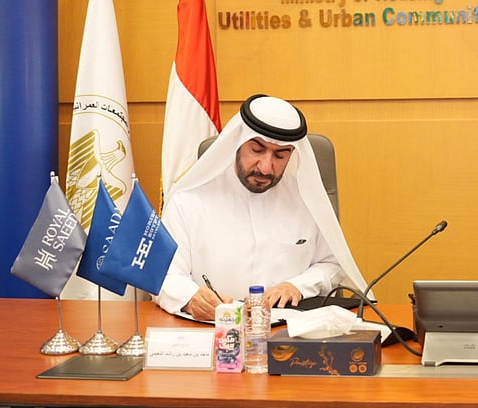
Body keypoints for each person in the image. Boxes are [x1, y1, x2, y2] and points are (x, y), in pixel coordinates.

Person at [155, 94, 367, 321]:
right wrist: (189, 298)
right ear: (237, 142)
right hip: (213, 328)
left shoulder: (306, 199)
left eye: (280, 155)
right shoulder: (188, 199)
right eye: (256, 150)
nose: (266, 168)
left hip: (289, 329)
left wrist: (297, 286)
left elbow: (332, 264)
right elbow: (164, 274)